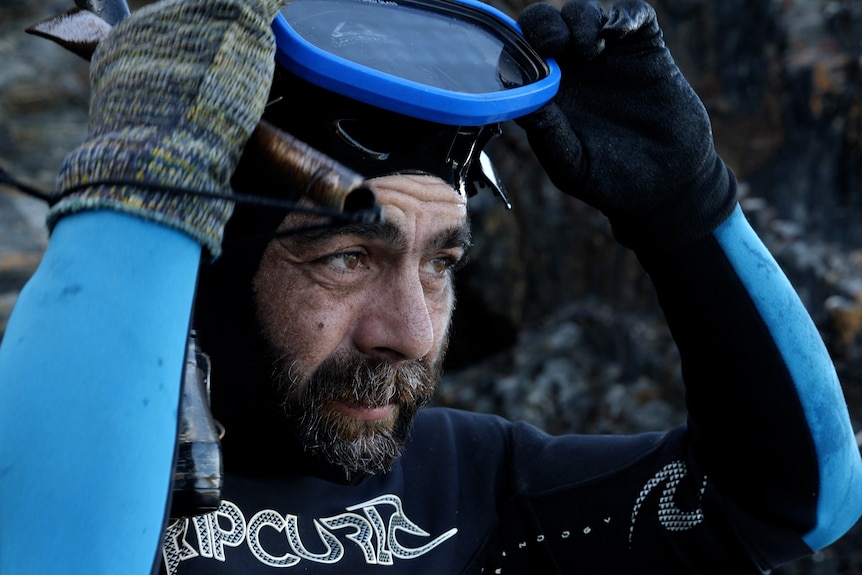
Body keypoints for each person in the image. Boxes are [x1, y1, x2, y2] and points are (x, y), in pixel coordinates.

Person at [0, 0, 860, 573]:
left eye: (441, 263)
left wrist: (688, 212)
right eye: (345, 258)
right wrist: (138, 197)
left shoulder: (474, 486)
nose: (409, 331)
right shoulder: (50, 472)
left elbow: (799, 501)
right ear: (211, 255)